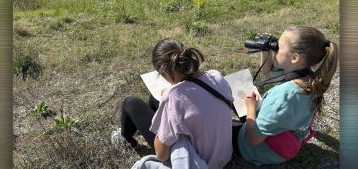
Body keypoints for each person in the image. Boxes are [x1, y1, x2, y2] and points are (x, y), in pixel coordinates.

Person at [114, 38, 234, 168]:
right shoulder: (215, 76)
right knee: (154, 98)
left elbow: (162, 155)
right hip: (224, 157)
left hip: (197, 163)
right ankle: (154, 124)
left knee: (131, 103)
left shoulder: (174, 97)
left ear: (164, 72)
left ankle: (126, 140)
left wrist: (169, 96)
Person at [232, 26, 338, 165]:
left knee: (222, 126)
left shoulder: (283, 98)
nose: (275, 50)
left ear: (294, 58)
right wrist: (266, 49)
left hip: (261, 150)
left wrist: (251, 107)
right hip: (286, 142)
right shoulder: (309, 79)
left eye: (279, 47)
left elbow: (253, 139)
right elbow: (268, 71)